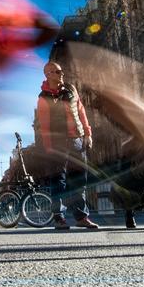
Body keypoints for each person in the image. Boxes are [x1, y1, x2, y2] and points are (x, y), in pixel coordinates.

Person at [34, 61, 99, 230]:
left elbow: (81, 111)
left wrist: (88, 133)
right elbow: (44, 126)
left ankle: (81, 217)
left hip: (77, 140)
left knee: (79, 179)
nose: (61, 73)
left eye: (61, 70)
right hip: (57, 143)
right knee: (59, 182)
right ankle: (59, 218)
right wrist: (49, 148)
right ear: (48, 74)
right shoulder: (43, 98)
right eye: (57, 71)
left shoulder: (71, 89)